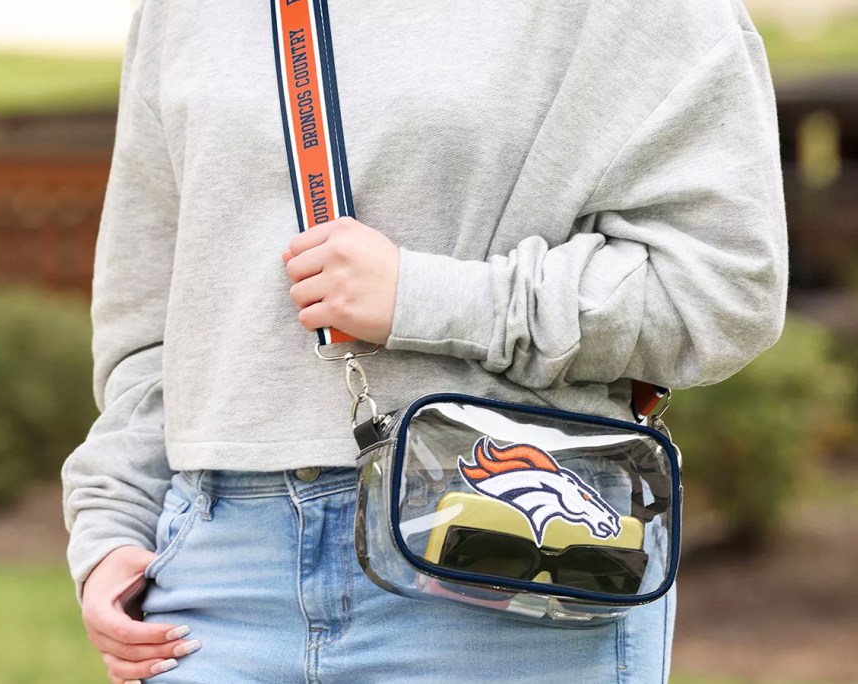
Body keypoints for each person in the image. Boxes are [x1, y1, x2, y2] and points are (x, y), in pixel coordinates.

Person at [62, 0, 788, 682]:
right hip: (216, 577)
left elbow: (725, 289)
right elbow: (150, 313)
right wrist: (111, 518)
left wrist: (428, 298)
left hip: (504, 556)